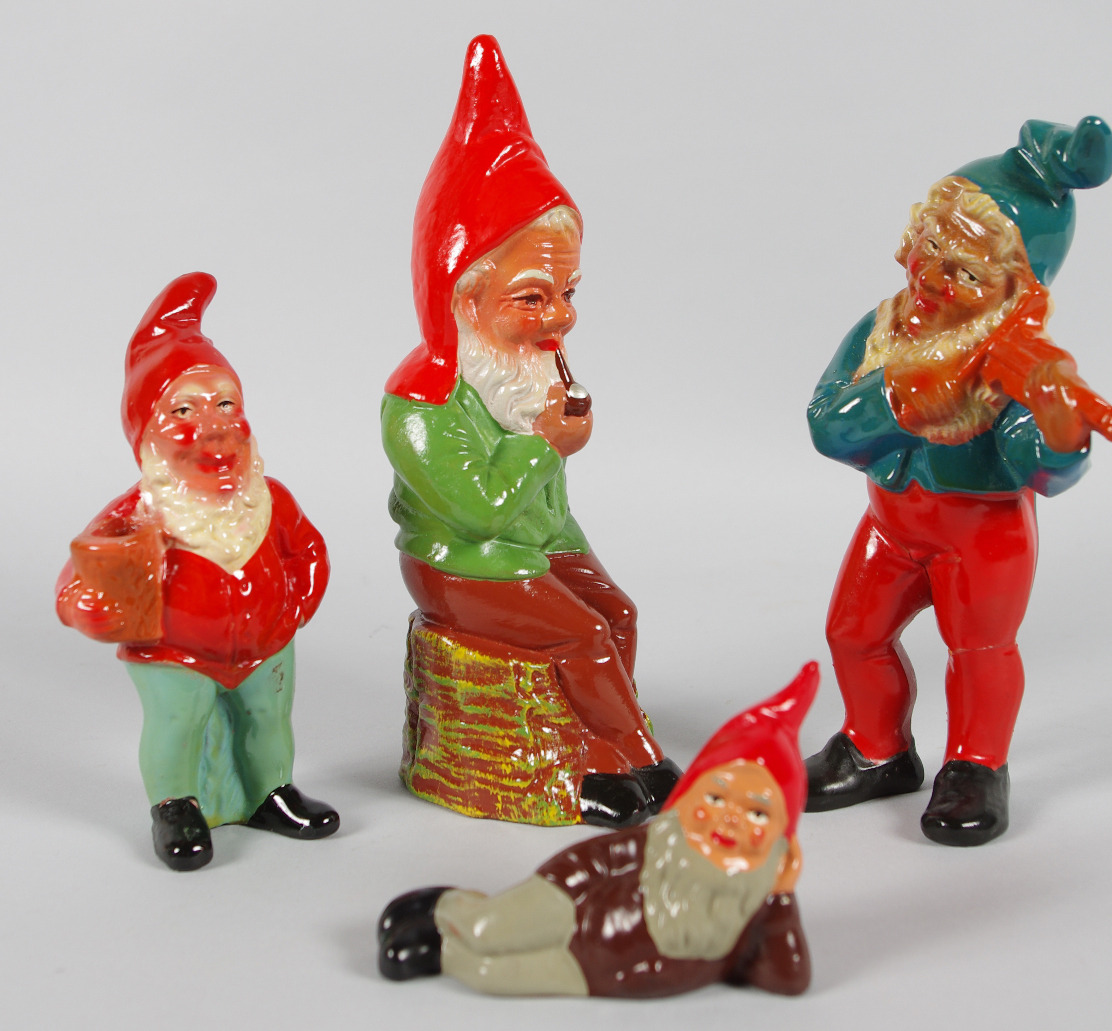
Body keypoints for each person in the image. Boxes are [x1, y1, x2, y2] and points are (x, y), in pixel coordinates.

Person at [805, 118, 1112, 846]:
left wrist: (1057, 423)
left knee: (979, 651)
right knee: (852, 632)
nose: (930, 277)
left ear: (1015, 290)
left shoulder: (1017, 362)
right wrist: (902, 396)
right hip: (891, 524)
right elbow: (827, 426)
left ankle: (976, 764)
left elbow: (1038, 468)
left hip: (982, 537)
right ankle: (876, 748)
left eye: (963, 272)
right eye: (929, 248)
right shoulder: (883, 330)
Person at [381, 35, 677, 827]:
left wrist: (556, 449)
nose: (560, 318)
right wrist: (547, 442)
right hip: (462, 564)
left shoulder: (525, 369)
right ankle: (633, 755)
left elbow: (544, 500)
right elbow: (477, 511)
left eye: (568, 292)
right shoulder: (420, 402)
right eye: (533, 297)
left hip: (539, 544)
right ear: (464, 298)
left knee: (617, 615)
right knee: (584, 634)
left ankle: (596, 746)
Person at [56, 272, 338, 871]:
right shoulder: (138, 513)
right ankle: (174, 807)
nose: (212, 426)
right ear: (148, 434)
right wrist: (88, 607)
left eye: (225, 404)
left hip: (266, 644)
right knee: (176, 724)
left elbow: (307, 550)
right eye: (183, 410)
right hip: (173, 650)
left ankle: (272, 792)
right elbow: (80, 581)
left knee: (268, 719)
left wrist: (294, 608)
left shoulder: (270, 498)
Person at [377, 663, 817, 998]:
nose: (730, 819)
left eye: (757, 814)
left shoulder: (754, 907)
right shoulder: (663, 845)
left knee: (488, 974)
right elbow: (592, 860)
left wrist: (781, 894)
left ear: (782, 841)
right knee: (487, 931)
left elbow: (788, 977)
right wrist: (555, 893)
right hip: (573, 906)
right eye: (716, 799)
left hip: (588, 971)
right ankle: (448, 908)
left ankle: (440, 952)